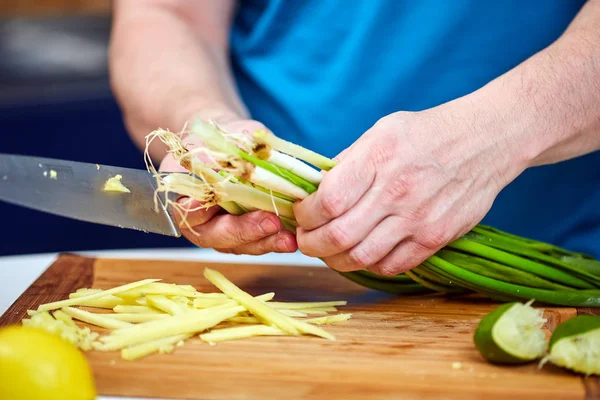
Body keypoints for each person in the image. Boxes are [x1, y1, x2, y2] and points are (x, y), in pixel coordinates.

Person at [109, 0, 600, 276]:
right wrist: (204, 126)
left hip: (558, 273)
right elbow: (167, 13)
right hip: (275, 278)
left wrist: (493, 132)